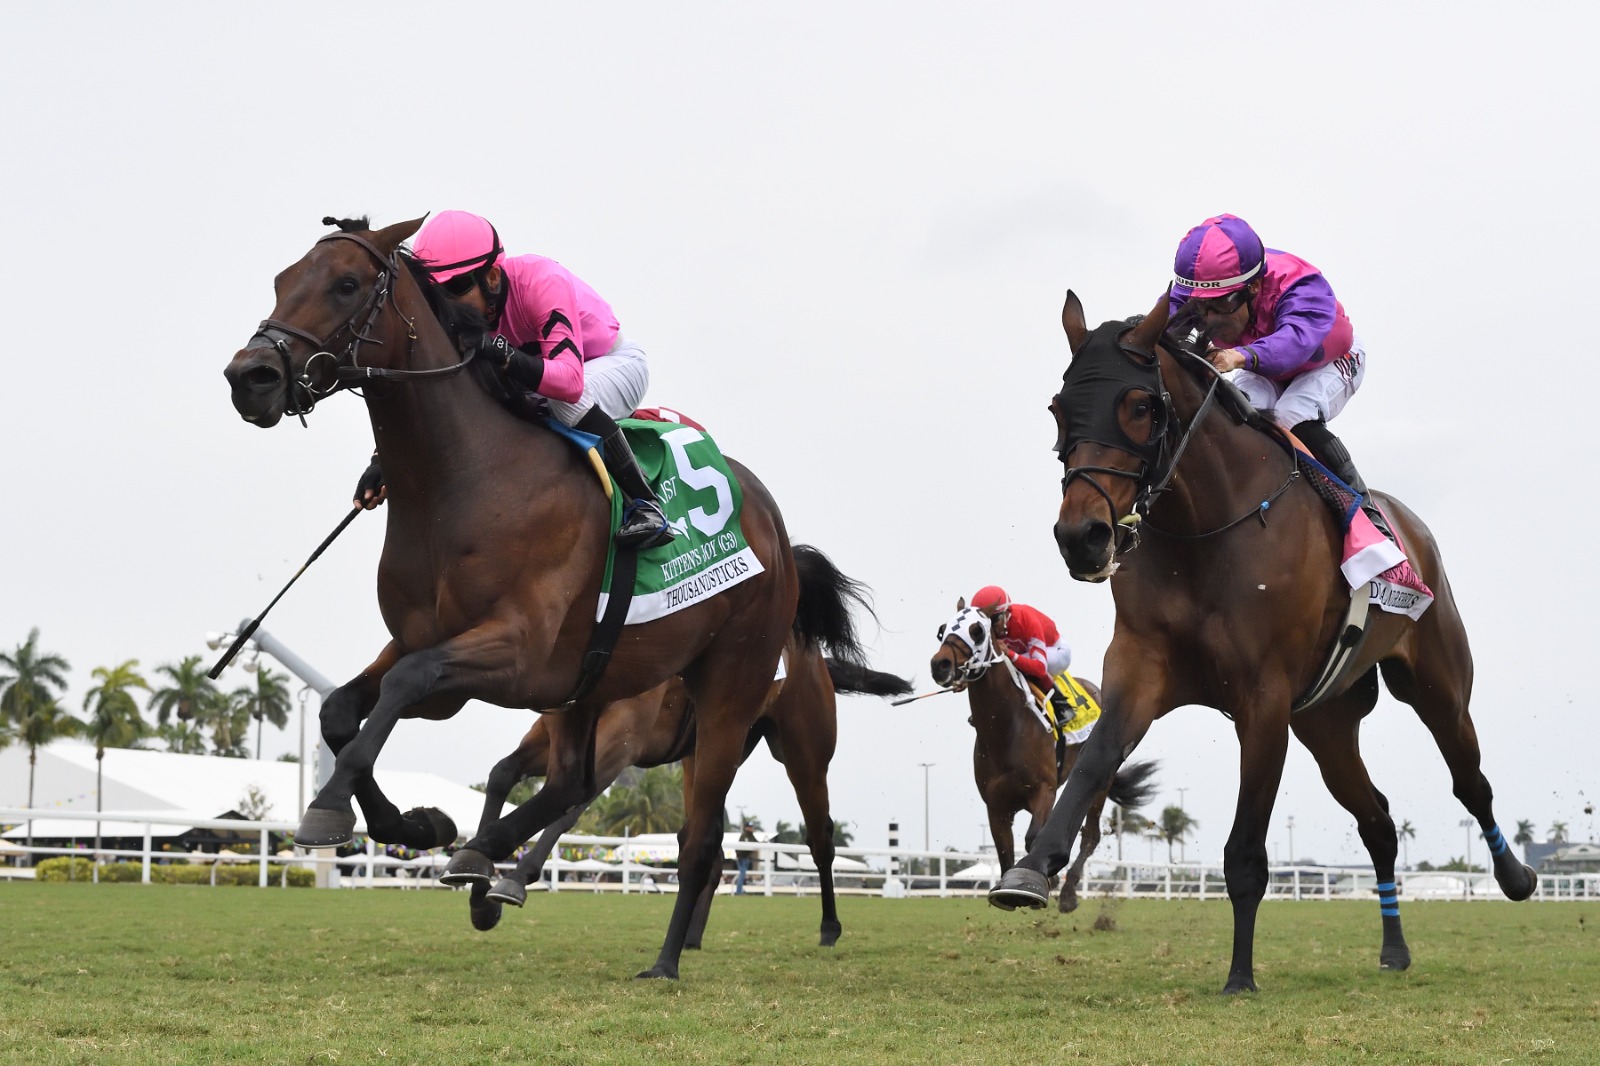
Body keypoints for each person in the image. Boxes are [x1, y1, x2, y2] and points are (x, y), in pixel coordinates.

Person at [352, 210, 673, 549]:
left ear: (492, 277)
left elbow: (569, 383)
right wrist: (382, 462)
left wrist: (500, 351)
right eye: (436, 292)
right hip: (548, 382)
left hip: (612, 364)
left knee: (561, 402)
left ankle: (647, 505)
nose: (448, 302)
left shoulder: (542, 280)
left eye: (457, 287)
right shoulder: (459, 311)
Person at [1167, 213, 1389, 536]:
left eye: (1221, 305)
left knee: (1289, 416)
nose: (1209, 318)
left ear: (1254, 287)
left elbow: (1295, 342)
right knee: (1239, 418)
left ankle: (1368, 516)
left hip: (1331, 358)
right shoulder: (1199, 290)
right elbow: (1162, 332)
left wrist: (1238, 355)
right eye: (1200, 307)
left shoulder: (1300, 286)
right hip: (1263, 363)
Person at [969, 586, 1071, 688]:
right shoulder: (991, 627)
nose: (990, 627)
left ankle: (1059, 700)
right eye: (985, 622)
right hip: (1027, 653)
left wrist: (1009, 653)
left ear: (1007, 612)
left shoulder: (1027, 620)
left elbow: (1040, 669)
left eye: (994, 620)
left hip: (1057, 652)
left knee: (1007, 664)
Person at [734, 822, 758, 895]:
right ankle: (738, 892)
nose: (751, 828)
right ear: (746, 827)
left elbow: (756, 843)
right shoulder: (744, 836)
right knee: (742, 875)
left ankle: (740, 890)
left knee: (743, 875)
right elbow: (744, 848)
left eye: (751, 827)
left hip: (746, 858)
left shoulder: (751, 836)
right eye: (750, 827)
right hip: (742, 858)